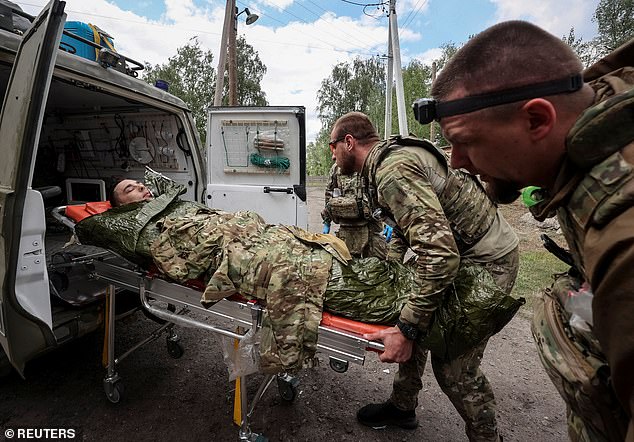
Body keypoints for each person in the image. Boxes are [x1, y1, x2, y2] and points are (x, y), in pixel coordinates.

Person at [422, 21, 633, 441]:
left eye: (465, 141)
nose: (458, 162)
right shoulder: (593, 159)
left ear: (537, 119)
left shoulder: (623, 233)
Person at [329, 112, 520, 441]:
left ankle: (487, 437)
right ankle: (403, 407)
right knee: (413, 315)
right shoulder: (382, 166)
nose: (331, 154)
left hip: (489, 262)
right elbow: (409, 224)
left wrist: (405, 328)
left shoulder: (392, 170)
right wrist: (390, 268)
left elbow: (441, 256)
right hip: (459, 253)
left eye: (332, 147)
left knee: (453, 368)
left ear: (348, 142)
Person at [321, 162, 387, 259]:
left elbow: (382, 193)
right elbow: (329, 195)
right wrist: (327, 221)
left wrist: (388, 221)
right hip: (346, 228)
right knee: (349, 266)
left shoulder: (369, 164)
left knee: (377, 266)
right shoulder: (337, 167)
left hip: (370, 226)